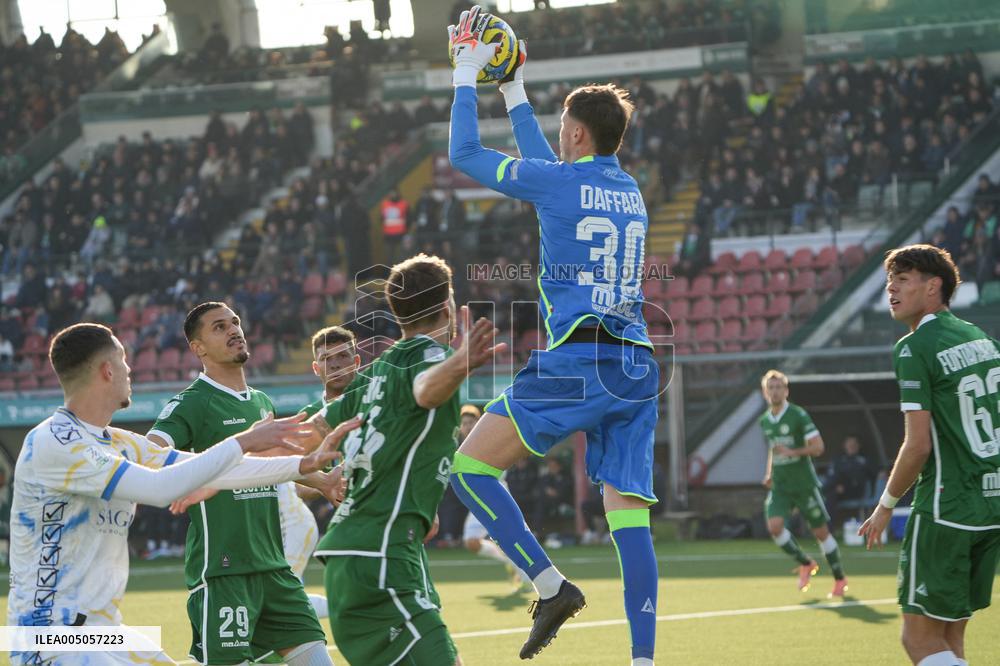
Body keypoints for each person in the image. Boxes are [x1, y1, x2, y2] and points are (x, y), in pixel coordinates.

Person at [446, 8, 660, 663]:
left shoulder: (563, 182)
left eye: (562, 129)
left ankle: (550, 586)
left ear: (574, 132)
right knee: (630, 524)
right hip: (638, 364)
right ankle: (644, 659)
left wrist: (465, 73)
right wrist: (513, 88)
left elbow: (464, 154)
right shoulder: (630, 190)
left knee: (469, 469)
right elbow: (549, 173)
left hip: (580, 359)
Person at [7, 323, 351, 666]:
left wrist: (304, 466)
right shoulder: (56, 442)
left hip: (103, 631)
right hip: (49, 637)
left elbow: (217, 471)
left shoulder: (118, 442)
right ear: (107, 370)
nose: (130, 369)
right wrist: (244, 441)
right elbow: (160, 489)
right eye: (124, 359)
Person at [309, 254, 502, 665]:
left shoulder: (378, 371)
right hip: (382, 557)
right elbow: (425, 390)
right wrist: (459, 362)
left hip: (350, 555)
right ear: (448, 305)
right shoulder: (430, 356)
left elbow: (313, 429)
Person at [147, 303, 346, 666]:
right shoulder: (191, 403)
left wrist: (320, 482)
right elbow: (151, 452)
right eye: (219, 327)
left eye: (235, 322)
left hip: (274, 567)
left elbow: (266, 466)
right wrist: (207, 471)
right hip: (224, 570)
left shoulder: (261, 402)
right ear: (198, 348)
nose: (234, 330)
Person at [860, 244, 1000, 666]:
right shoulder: (982, 339)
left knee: (919, 640)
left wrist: (885, 506)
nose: (891, 289)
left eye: (902, 280)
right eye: (890, 281)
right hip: (990, 505)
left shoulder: (914, 347)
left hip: (945, 507)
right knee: (950, 638)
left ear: (933, 286)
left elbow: (917, 444)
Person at [760, 369, 848, 597]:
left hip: (803, 484)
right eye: (771, 387)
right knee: (774, 527)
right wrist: (769, 472)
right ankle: (806, 563)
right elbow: (773, 448)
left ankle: (839, 578)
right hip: (781, 485)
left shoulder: (798, 415)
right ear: (765, 392)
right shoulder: (765, 420)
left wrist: (793, 452)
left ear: (786, 391)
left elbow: (818, 447)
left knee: (821, 532)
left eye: (779, 387)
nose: (775, 391)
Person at [458, 404, 531, 589]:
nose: (467, 426)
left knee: (513, 537)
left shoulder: (488, 439)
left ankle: (536, 580)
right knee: (471, 542)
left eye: (471, 422)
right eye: (464, 423)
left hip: (495, 493)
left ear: (479, 423)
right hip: (477, 497)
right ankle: (509, 562)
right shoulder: (459, 448)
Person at [825, 434, 877, 526]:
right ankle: (827, 527)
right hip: (838, 490)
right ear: (844, 445)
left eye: (854, 444)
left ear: (859, 445)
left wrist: (881, 473)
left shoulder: (864, 460)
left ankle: (823, 490)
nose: (851, 446)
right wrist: (837, 487)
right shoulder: (839, 459)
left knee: (836, 483)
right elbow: (831, 474)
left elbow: (875, 473)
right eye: (849, 444)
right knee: (831, 494)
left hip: (856, 489)